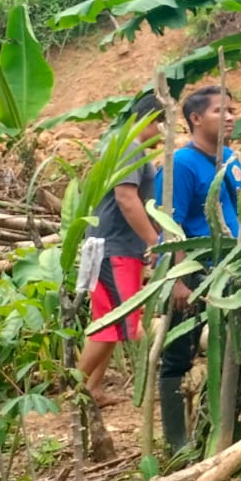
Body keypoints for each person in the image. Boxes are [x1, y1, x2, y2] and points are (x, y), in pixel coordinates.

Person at [153, 85, 241, 452]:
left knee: (229, 351)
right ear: (194, 118)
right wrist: (177, 280)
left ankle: (216, 428)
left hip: (229, 269)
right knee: (178, 353)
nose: (230, 117)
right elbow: (169, 225)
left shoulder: (231, 159)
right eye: (219, 111)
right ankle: (177, 441)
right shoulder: (182, 165)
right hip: (191, 269)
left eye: (232, 110)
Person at [78, 93, 164, 408]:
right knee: (118, 322)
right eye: (160, 126)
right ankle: (73, 390)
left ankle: (92, 388)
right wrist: (155, 241)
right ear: (149, 121)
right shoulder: (129, 149)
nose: (162, 136)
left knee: (109, 320)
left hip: (113, 247)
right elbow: (127, 198)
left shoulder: (123, 147)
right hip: (113, 249)